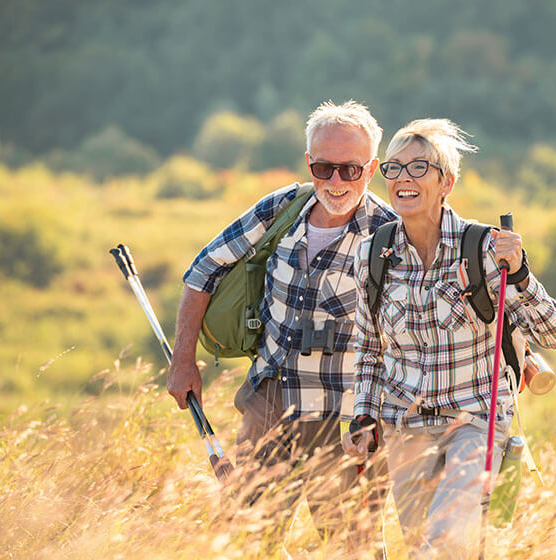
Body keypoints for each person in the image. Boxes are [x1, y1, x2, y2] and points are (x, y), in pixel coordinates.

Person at [167, 100, 396, 533]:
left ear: (371, 169)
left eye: (350, 169)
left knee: (353, 546)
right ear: (309, 162)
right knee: (248, 539)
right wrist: (183, 361)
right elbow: (202, 273)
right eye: (324, 167)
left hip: (348, 419)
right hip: (268, 405)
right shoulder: (281, 209)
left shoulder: (391, 233)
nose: (336, 181)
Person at [343, 119, 556, 557]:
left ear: (446, 181)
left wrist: (520, 275)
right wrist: (364, 416)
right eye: (394, 169)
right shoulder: (373, 254)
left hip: (476, 422)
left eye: (418, 168)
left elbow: (555, 333)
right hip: (405, 427)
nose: (403, 179)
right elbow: (369, 349)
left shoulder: (484, 249)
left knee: (440, 542)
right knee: (430, 546)